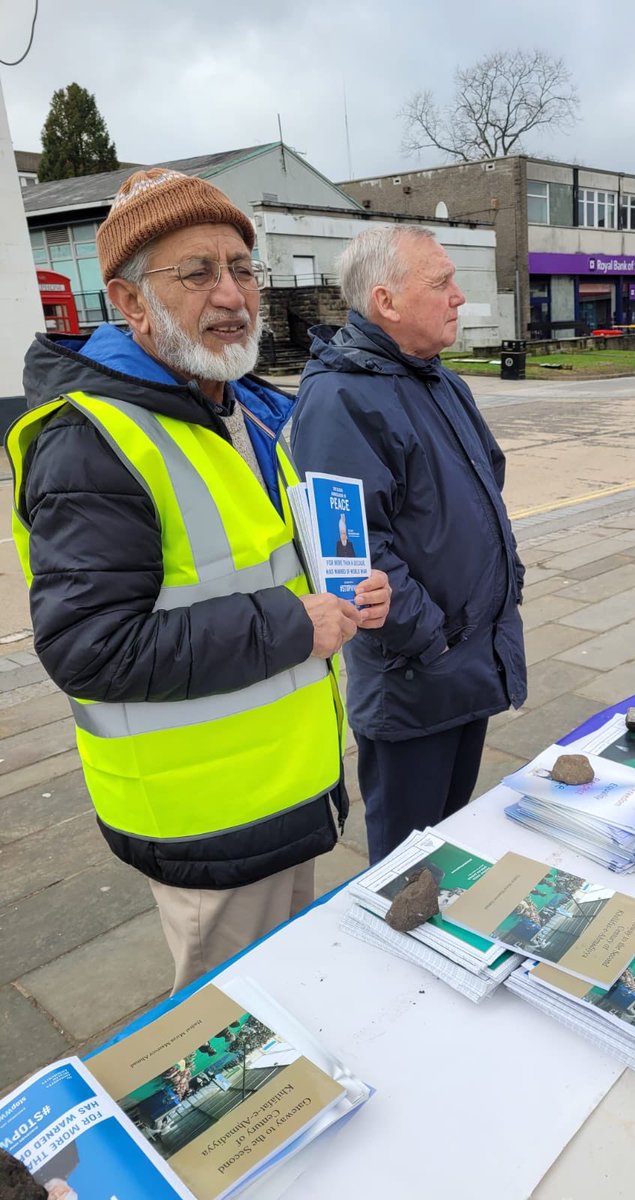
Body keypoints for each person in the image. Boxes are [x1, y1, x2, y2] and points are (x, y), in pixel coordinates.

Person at [5, 169, 391, 992]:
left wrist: (349, 588)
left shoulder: (244, 410)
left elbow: (261, 564)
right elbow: (90, 648)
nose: (233, 294)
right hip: (206, 821)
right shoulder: (90, 441)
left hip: (286, 791)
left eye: (243, 268)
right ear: (130, 302)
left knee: (297, 1009)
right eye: (198, 272)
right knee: (234, 1051)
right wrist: (297, 625)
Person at [292, 225, 526, 862]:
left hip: (465, 661)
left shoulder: (437, 379)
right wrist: (436, 636)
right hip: (417, 675)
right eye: (442, 282)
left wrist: (499, 593)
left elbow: (484, 490)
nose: (458, 298)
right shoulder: (341, 397)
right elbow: (352, 552)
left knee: (451, 849)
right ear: (386, 301)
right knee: (406, 868)